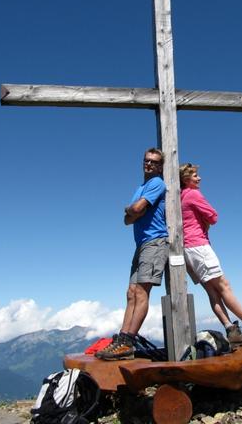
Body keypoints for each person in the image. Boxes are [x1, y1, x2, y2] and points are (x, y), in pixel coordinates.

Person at [179, 163, 242, 347]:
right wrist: (205, 223)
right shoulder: (193, 194)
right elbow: (213, 216)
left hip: (187, 250)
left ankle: (231, 330)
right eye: (195, 176)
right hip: (199, 246)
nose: (199, 178)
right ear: (186, 179)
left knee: (212, 291)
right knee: (224, 286)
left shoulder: (180, 197)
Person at [96, 148, 169, 360]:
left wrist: (131, 209)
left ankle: (128, 341)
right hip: (142, 244)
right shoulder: (141, 187)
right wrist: (133, 211)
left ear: (160, 166)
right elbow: (128, 220)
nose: (149, 165)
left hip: (155, 241)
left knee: (141, 292)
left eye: (154, 162)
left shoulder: (156, 183)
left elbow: (135, 211)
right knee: (131, 292)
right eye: (146, 161)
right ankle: (122, 338)